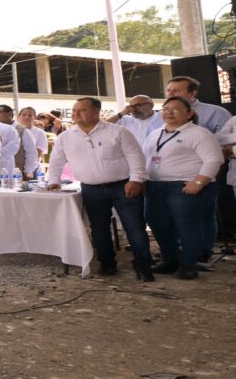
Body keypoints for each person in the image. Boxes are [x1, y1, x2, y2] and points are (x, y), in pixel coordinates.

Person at [45, 97, 153, 280]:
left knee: (134, 227)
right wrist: (54, 180)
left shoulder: (117, 131)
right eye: (75, 110)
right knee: (99, 229)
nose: (76, 113)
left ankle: (143, 266)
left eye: (82, 110)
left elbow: (136, 156)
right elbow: (56, 160)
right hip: (91, 189)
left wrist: (136, 180)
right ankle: (107, 264)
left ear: (96, 112)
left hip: (123, 186)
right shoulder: (66, 136)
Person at [149, 76, 234, 266]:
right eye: (169, 91)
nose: (171, 94)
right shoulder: (157, 123)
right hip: (159, 183)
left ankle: (197, 256)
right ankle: (174, 256)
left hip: (196, 177)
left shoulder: (213, 115)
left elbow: (220, 149)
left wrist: (200, 180)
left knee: (196, 220)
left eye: (176, 91)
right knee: (164, 222)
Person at [142, 97, 224, 279]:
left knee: (187, 226)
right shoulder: (156, 133)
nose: (169, 112)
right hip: (156, 186)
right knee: (157, 223)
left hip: (185, 186)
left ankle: (188, 265)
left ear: (189, 114)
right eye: (165, 109)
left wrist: (199, 182)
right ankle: (171, 260)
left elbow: (214, 160)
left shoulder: (199, 133)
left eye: (176, 109)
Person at [0, 105, 38, 182]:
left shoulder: (22, 130)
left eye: (0, 112)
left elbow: (31, 153)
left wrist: (28, 172)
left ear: (9, 114)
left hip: (17, 175)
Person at [17, 107, 49, 178]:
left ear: (34, 117)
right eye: (24, 115)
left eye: (30, 115)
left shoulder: (40, 132)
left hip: (33, 168)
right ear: (18, 116)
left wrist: (28, 169)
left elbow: (39, 152)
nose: (27, 117)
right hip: (15, 166)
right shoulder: (13, 130)